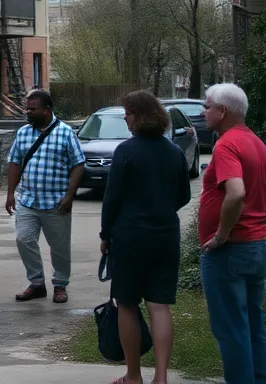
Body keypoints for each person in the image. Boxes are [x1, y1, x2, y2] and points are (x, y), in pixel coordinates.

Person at [100, 91, 192, 384]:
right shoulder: (174, 152)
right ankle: (161, 377)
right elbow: (184, 195)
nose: (125, 118)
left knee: (126, 303)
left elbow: (112, 199)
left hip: (129, 237)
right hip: (166, 235)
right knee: (159, 305)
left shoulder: (126, 151)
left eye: (127, 113)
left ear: (138, 115)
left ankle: (134, 375)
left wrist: (105, 234)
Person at [199, 83, 266, 384]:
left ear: (223, 111)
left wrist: (221, 235)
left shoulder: (227, 144)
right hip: (257, 244)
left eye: (208, 106)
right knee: (253, 324)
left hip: (229, 250)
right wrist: (249, 215)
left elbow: (235, 193)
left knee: (231, 329)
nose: (204, 112)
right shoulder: (257, 143)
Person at [5, 89, 86, 303]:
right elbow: (14, 162)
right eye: (26, 108)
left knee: (59, 247)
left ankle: (60, 285)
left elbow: (78, 165)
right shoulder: (23, 133)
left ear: (46, 110)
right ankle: (37, 283)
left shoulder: (66, 133)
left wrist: (70, 195)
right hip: (28, 200)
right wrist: (10, 193)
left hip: (57, 203)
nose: (27, 112)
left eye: (32, 109)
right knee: (24, 239)